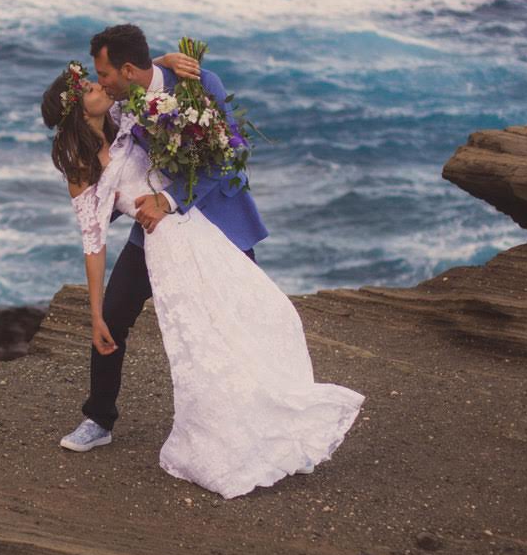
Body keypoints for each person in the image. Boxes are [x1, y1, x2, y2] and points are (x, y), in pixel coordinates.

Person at [40, 32, 363, 497]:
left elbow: (230, 160)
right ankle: (99, 418)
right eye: (97, 80)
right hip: (152, 234)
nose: (101, 82)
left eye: (104, 75)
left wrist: (169, 198)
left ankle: (264, 417)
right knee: (113, 316)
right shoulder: (119, 108)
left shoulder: (195, 85)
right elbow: (98, 203)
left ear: (124, 71)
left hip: (216, 222)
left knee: (242, 320)